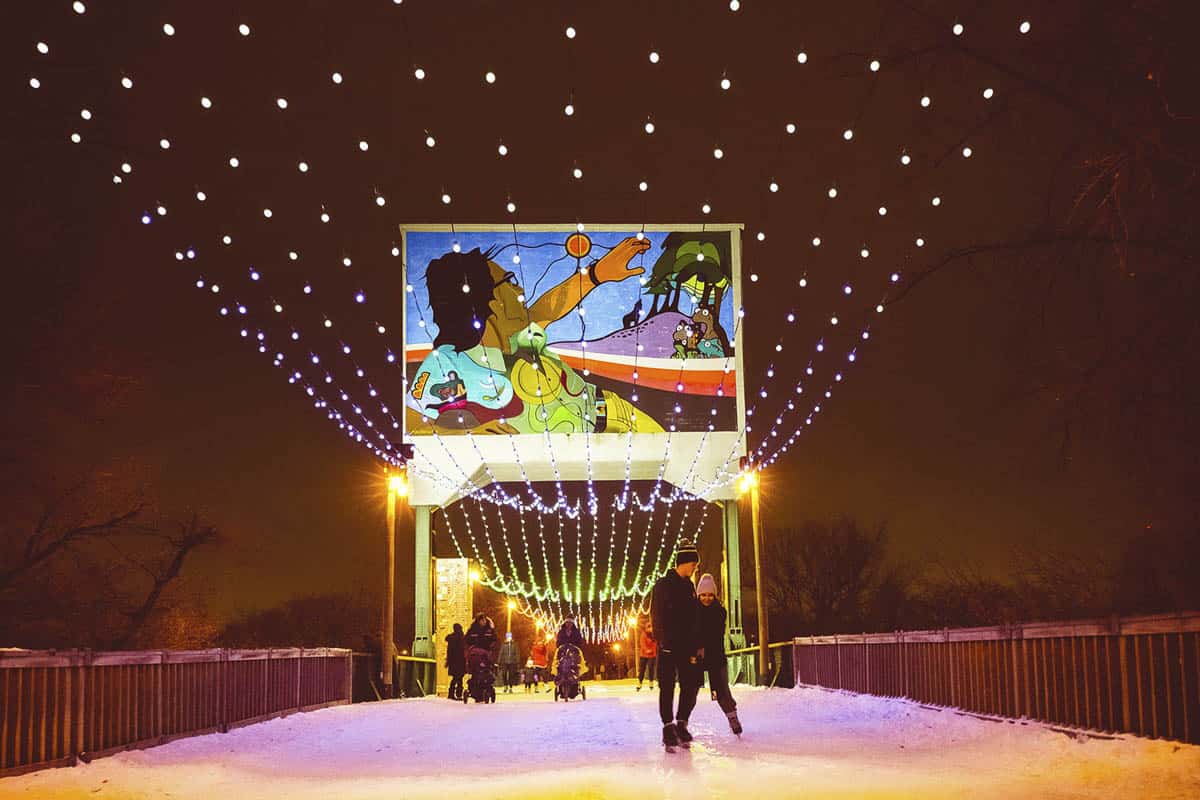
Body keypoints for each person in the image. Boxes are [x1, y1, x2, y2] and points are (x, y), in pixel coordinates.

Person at [405, 239, 663, 436]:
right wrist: (469, 435)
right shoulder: (447, 361)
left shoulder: (517, 334)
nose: (519, 289)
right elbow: (412, 421)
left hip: (613, 414)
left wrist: (597, 274)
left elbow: (551, 305)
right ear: (487, 303)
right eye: (509, 281)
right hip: (565, 450)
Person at [650, 538, 703, 750]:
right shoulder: (663, 586)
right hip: (669, 646)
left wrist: (697, 642)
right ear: (683, 561)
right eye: (693, 564)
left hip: (687, 646)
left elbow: (695, 618)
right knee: (667, 686)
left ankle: (682, 722)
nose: (694, 568)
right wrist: (663, 640)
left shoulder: (690, 587)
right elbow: (657, 615)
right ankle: (668, 726)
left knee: (689, 685)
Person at [695, 573, 742, 735]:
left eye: (710, 595)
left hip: (715, 657)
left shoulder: (720, 612)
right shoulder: (692, 611)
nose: (707, 598)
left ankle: (732, 718)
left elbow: (715, 634)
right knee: (690, 691)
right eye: (703, 595)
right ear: (698, 594)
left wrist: (701, 642)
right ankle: (682, 723)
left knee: (720, 690)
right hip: (697, 657)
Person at [444, 623, 466, 701]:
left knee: (455, 678)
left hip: (453, 661)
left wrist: (448, 661)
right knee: (459, 678)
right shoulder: (462, 637)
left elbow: (449, 651)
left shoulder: (451, 638)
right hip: (461, 661)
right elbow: (464, 650)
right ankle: (458, 694)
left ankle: (451, 693)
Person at [637, 616, 658, 692]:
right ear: (646, 628)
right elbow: (642, 643)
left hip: (652, 654)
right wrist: (646, 650)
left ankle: (651, 682)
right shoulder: (643, 635)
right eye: (649, 627)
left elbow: (655, 643)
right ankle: (640, 682)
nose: (651, 629)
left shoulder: (654, 635)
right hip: (643, 654)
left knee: (651, 668)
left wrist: (652, 650)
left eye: (651, 627)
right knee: (642, 669)